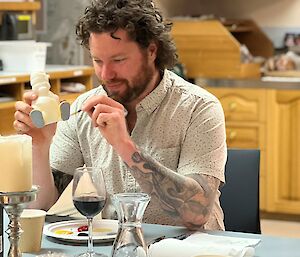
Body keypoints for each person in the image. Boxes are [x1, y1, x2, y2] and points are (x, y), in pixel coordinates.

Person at [14, 0, 227, 231]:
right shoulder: (82, 109)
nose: (106, 75)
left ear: (152, 51)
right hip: (119, 246)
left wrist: (125, 146)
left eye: (118, 60)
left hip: (192, 248)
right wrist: (40, 145)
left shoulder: (199, 107)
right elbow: (41, 205)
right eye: (97, 61)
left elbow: (197, 212)